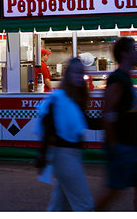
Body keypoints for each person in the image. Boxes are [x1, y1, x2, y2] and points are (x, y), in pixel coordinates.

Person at [95, 37, 137, 211]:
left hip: (135, 145)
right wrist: (113, 144)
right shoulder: (117, 78)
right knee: (113, 190)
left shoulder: (126, 78)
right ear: (124, 54)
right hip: (122, 146)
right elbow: (108, 113)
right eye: (134, 49)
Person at [35, 57, 94, 211]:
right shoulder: (59, 98)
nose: (78, 76)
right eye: (75, 73)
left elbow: (87, 121)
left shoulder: (74, 98)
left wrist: (110, 120)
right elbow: (48, 128)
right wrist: (42, 155)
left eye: (81, 73)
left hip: (70, 157)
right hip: (65, 157)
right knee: (84, 205)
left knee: (59, 207)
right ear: (67, 75)